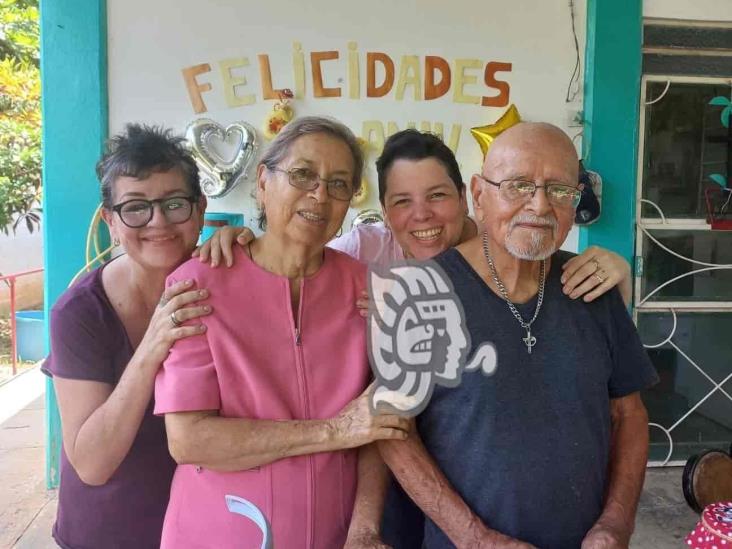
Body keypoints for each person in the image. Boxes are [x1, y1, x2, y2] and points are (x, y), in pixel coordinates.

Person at [377, 122, 659, 548]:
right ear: (479, 194)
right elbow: (395, 435)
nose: (541, 205)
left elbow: (630, 415)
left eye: (560, 190)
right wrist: (475, 538)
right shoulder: (418, 294)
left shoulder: (593, 286)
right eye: (519, 185)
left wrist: (616, 523)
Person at [153, 116, 409, 548]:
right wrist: (334, 430)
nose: (320, 194)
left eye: (340, 183)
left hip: (335, 533)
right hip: (219, 533)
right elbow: (189, 439)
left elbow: (378, 426)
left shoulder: (368, 290)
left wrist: (364, 529)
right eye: (303, 174)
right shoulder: (198, 284)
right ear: (263, 182)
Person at [198, 129, 633, 307]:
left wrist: (620, 270)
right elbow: (296, 255)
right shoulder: (365, 248)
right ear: (385, 212)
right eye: (402, 201)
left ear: (468, 198)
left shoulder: (502, 244)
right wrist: (245, 239)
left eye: (438, 196)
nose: (421, 215)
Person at [42, 124, 212, 548]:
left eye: (174, 204)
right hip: (108, 533)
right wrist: (151, 348)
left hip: (203, 526)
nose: (158, 222)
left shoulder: (221, 284)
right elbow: (92, 464)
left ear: (200, 210)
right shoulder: (80, 313)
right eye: (135, 207)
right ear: (111, 222)